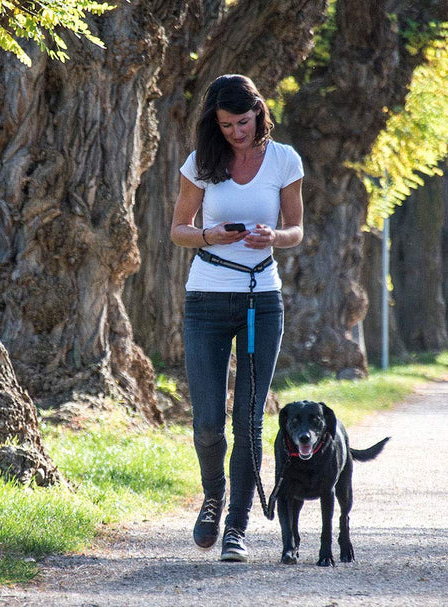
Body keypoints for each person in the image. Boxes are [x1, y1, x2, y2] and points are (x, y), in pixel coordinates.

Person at [170, 74, 304, 562]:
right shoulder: (201, 163)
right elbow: (179, 230)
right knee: (208, 422)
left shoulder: (285, 160)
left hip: (261, 302)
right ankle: (212, 497)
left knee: (248, 420)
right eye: (226, 125)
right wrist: (209, 236)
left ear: (258, 114)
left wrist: (273, 237)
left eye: (243, 123)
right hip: (207, 298)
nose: (235, 133)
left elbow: (297, 229)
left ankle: (237, 527)